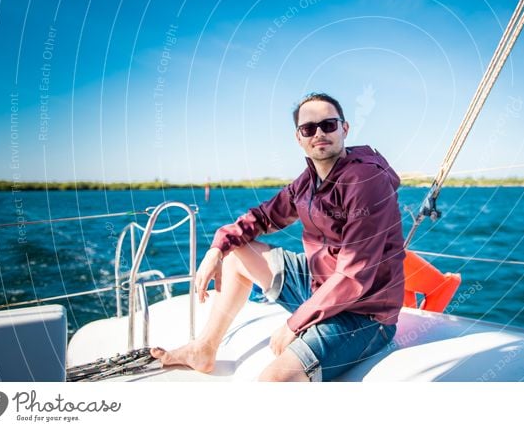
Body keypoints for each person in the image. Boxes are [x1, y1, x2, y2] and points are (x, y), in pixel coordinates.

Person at [151, 92, 405, 381]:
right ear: (299, 138)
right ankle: (204, 349)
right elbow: (262, 217)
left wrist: (294, 324)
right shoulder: (307, 182)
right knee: (237, 254)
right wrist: (217, 249)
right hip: (319, 285)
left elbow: (353, 276)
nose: (319, 133)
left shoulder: (365, 181)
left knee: (273, 381)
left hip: (364, 315)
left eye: (329, 125)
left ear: (344, 129)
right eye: (309, 128)